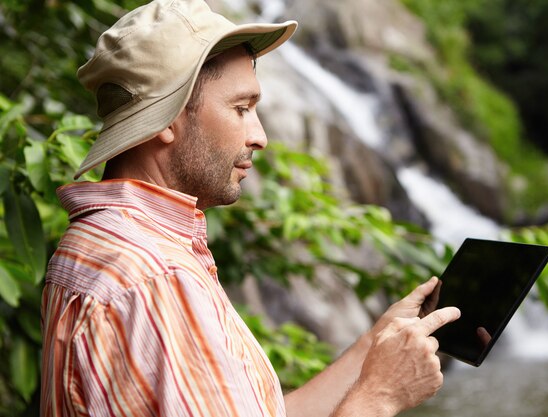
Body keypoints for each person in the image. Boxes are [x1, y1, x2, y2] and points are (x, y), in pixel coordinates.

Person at [40, 1, 461, 416]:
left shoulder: (99, 241)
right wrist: (380, 396)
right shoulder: (157, 278)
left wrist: (376, 344)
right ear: (165, 120)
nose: (259, 135)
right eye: (241, 108)